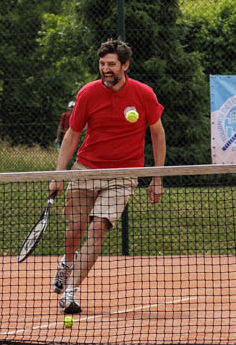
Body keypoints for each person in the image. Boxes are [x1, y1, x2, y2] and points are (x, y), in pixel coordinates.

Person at [47, 39, 166, 315]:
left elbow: (157, 134)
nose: (105, 69)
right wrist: (58, 174)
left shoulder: (143, 94)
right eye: (102, 64)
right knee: (75, 228)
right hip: (87, 168)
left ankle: (70, 291)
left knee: (98, 228)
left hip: (124, 175)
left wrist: (157, 178)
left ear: (125, 65)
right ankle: (67, 262)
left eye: (111, 64)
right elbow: (73, 134)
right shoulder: (88, 93)